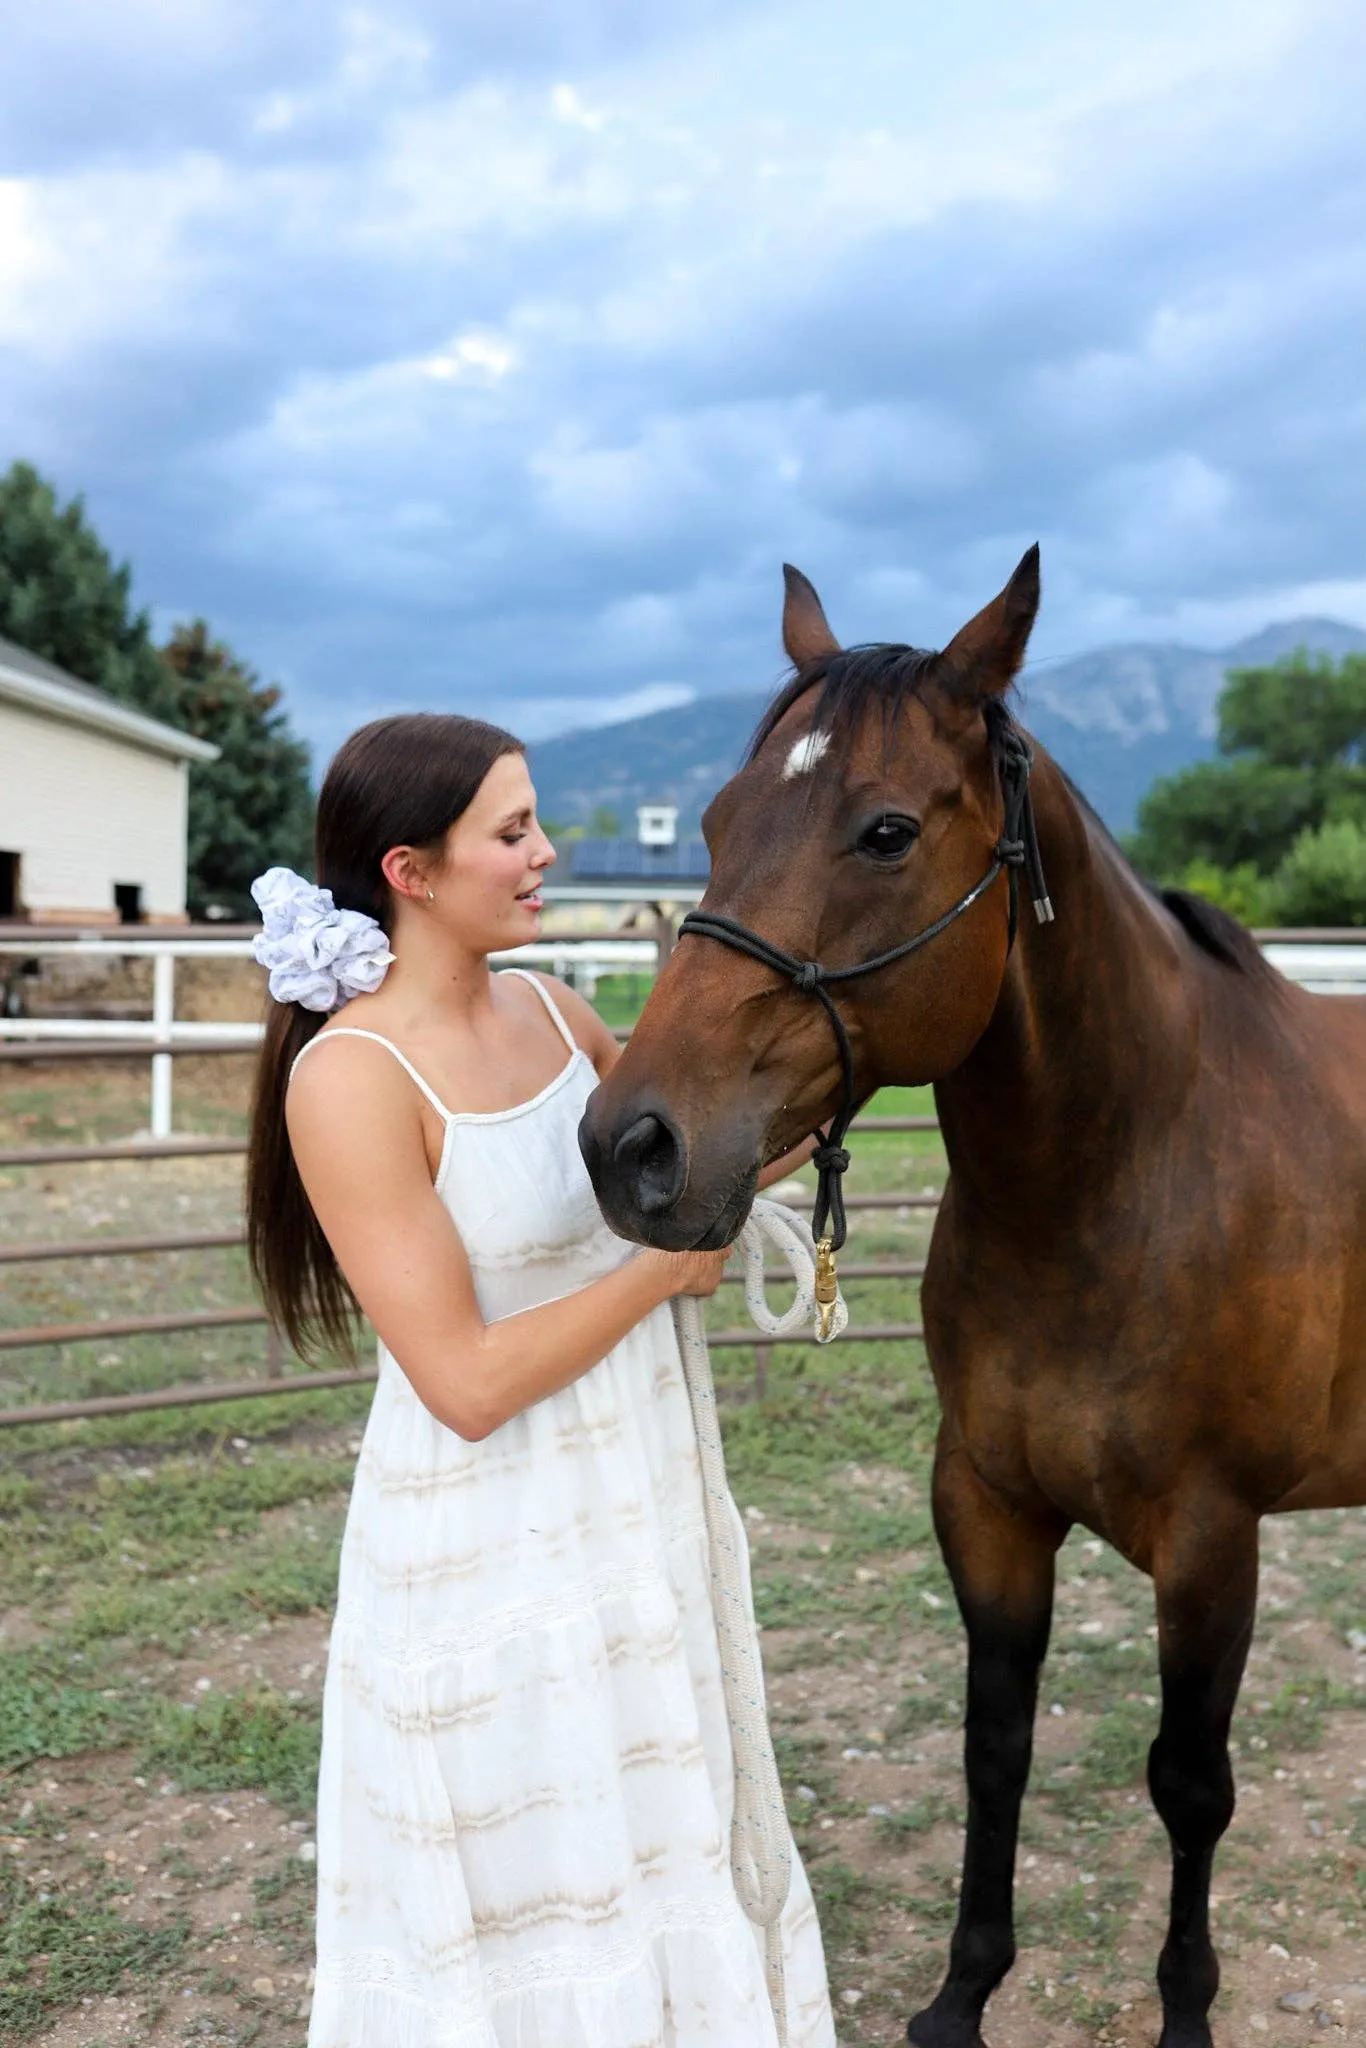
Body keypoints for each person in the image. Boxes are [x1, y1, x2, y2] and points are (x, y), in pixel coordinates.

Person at [245, 713, 835, 2048]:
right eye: (511, 830)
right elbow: (458, 1377)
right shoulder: (350, 1080)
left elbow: (687, 1169)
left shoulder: (549, 1010)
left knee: (646, 1830)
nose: (544, 851)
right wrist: (657, 1279)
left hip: (634, 1498)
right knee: (531, 1872)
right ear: (409, 871)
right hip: (488, 1544)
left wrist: (840, 1050)